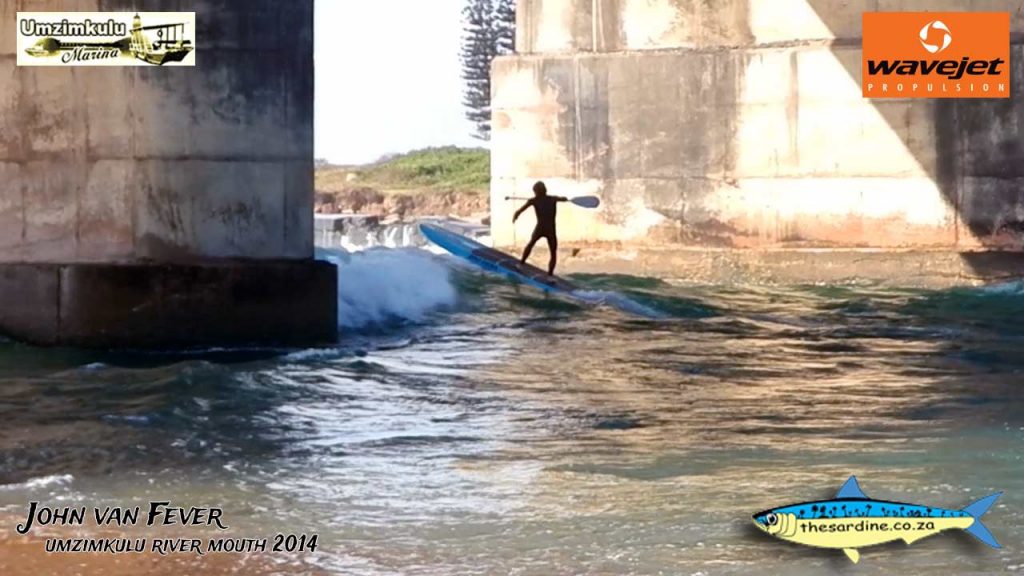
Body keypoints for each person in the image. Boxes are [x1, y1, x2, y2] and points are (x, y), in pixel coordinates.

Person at [513, 181, 567, 275]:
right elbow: (563, 199)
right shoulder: (553, 199)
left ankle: (521, 263)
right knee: (553, 252)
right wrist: (564, 199)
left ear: (536, 192)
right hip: (551, 229)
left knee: (530, 244)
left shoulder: (534, 200)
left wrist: (515, 217)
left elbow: (519, 211)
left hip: (540, 228)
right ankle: (550, 274)